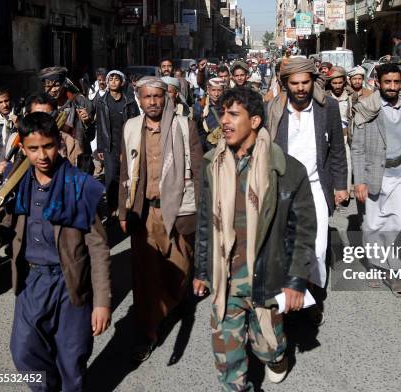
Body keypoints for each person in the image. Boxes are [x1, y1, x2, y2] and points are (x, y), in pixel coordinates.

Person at [0, 111, 111, 391]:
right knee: (24, 352)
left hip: (69, 283)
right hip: (30, 281)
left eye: (48, 146)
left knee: (71, 358)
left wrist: (102, 302)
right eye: (33, 149)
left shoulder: (79, 185)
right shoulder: (17, 183)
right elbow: (6, 233)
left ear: (58, 142)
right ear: (22, 148)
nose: (42, 155)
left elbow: (98, 248)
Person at [193, 87, 317, 390]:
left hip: (267, 275)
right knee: (227, 362)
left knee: (267, 347)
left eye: (234, 114)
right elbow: (206, 222)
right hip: (226, 279)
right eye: (222, 113)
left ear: (256, 121)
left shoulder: (286, 170)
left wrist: (296, 281)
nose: (225, 120)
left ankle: (276, 356)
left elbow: (302, 230)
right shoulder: (214, 165)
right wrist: (201, 270)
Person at [118, 76, 203, 362]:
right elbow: (125, 171)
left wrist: (202, 211)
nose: (153, 102)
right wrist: (121, 210)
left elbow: (200, 172)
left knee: (178, 270)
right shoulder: (131, 127)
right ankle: (148, 330)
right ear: (139, 100)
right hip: (144, 213)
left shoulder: (183, 125)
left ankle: (171, 303)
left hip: (179, 210)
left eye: (158, 96)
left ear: (167, 98)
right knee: (145, 276)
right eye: (147, 97)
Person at [266, 57, 348, 325]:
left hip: (315, 188)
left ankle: (312, 296)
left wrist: (340, 186)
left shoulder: (328, 108)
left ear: (313, 82)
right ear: (286, 85)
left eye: (305, 82)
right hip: (283, 190)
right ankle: (289, 297)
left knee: (317, 248)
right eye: (295, 83)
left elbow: (336, 150)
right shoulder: (273, 111)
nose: (301, 88)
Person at [351, 63, 401, 296]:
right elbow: (358, 147)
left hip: (400, 174)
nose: (392, 87)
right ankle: (375, 266)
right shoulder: (366, 108)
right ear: (377, 83)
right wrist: (359, 181)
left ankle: (394, 273)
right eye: (387, 82)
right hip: (374, 175)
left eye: (396, 82)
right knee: (373, 225)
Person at [95, 70, 140, 214]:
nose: (113, 81)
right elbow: (100, 126)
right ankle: (112, 209)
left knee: (126, 176)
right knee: (110, 178)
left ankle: (127, 205)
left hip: (126, 144)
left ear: (122, 82)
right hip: (110, 145)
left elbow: (136, 122)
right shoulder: (102, 102)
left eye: (117, 79)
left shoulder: (130, 101)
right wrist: (100, 148)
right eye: (111, 79)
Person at [38, 66, 95, 174]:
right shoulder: (40, 106)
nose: (53, 90)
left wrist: (87, 122)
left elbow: (91, 135)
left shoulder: (79, 103)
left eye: (57, 85)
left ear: (63, 85)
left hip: (77, 160)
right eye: (49, 86)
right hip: (50, 161)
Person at [325, 67, 354, 193]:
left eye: (340, 82)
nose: (337, 86)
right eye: (334, 83)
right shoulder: (324, 97)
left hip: (345, 137)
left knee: (346, 164)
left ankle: (344, 192)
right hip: (328, 137)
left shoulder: (351, 97)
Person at [193, 77, 226, 151]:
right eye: (213, 90)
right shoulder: (200, 107)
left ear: (223, 91)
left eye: (219, 90)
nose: (216, 94)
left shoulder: (227, 107)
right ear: (208, 90)